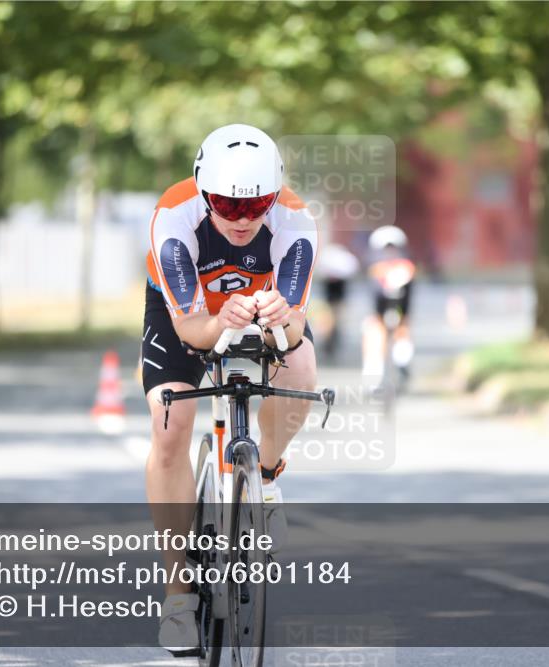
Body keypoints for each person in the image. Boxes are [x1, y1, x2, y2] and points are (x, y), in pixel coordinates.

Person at [141, 124, 318, 656]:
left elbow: (291, 332)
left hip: (268, 312)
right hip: (188, 314)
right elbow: (192, 328)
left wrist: (278, 320)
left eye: (256, 205)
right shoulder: (174, 220)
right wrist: (220, 324)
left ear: (275, 194)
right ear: (202, 190)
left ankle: (263, 474)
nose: (242, 220)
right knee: (169, 425)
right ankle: (177, 593)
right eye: (226, 205)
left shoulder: (296, 221)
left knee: (302, 370)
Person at [362, 225, 416, 387]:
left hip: (399, 309)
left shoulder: (405, 267)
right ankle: (374, 371)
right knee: (375, 330)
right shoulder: (377, 268)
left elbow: (407, 299)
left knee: (401, 327)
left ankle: (401, 358)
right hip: (381, 308)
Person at [316, 242, 360, 360]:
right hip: (330, 299)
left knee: (336, 320)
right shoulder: (332, 265)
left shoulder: (341, 266)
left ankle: (332, 343)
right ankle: (328, 343)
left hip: (337, 299)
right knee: (330, 320)